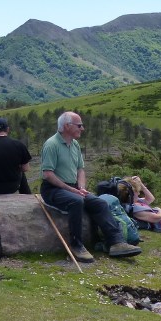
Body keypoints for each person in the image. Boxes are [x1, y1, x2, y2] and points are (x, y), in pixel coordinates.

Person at [39, 112, 142, 261]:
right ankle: (76, 246)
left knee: (100, 203)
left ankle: (116, 242)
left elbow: (80, 169)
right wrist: (72, 190)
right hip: (53, 189)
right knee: (76, 201)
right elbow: (48, 174)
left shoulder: (74, 144)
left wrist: (81, 187)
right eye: (79, 125)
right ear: (67, 126)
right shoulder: (51, 144)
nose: (82, 128)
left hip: (73, 188)